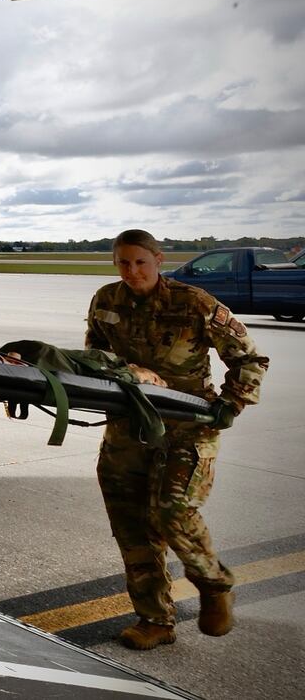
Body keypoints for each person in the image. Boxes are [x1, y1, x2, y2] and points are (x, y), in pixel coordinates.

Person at [86, 229, 269, 650]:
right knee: (131, 524)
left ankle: (214, 582)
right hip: (129, 426)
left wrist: (231, 404)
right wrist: (123, 369)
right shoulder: (105, 300)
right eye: (123, 263)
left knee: (172, 511)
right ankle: (154, 620)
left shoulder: (195, 304)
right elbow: (95, 354)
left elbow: (249, 358)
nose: (132, 272)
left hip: (188, 424)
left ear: (158, 259)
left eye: (140, 262)